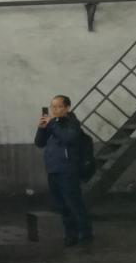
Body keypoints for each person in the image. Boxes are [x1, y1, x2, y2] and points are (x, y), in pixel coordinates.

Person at [34, 95, 94, 246]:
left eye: (59, 106)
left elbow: (68, 138)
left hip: (68, 170)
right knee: (62, 206)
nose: (55, 110)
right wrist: (41, 128)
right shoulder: (53, 123)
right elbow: (39, 143)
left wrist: (52, 124)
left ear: (67, 108)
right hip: (53, 170)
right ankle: (70, 235)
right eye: (53, 107)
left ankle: (85, 235)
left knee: (74, 203)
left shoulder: (72, 123)